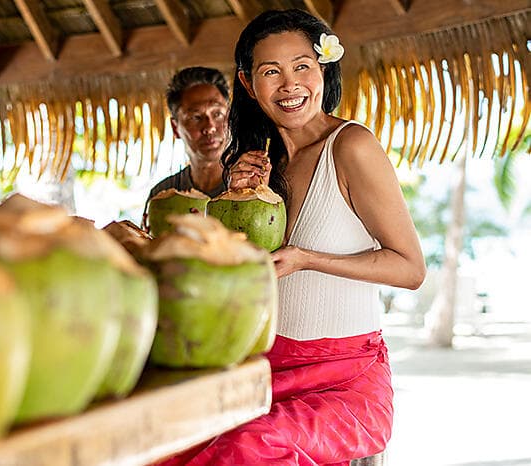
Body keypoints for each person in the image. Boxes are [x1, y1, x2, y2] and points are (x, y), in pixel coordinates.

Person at [157, 9, 426, 466]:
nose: (290, 84)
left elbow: (410, 268)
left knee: (248, 447)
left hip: (346, 379)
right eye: (271, 72)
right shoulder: (259, 162)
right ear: (247, 83)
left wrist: (309, 258)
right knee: (165, 443)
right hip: (267, 367)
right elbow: (238, 276)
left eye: (302, 66)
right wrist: (231, 202)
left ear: (323, 68)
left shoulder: (352, 147)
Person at [143, 67, 230, 227]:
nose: (210, 127)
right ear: (176, 128)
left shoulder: (250, 187)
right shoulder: (162, 195)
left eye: (217, 114)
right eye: (196, 117)